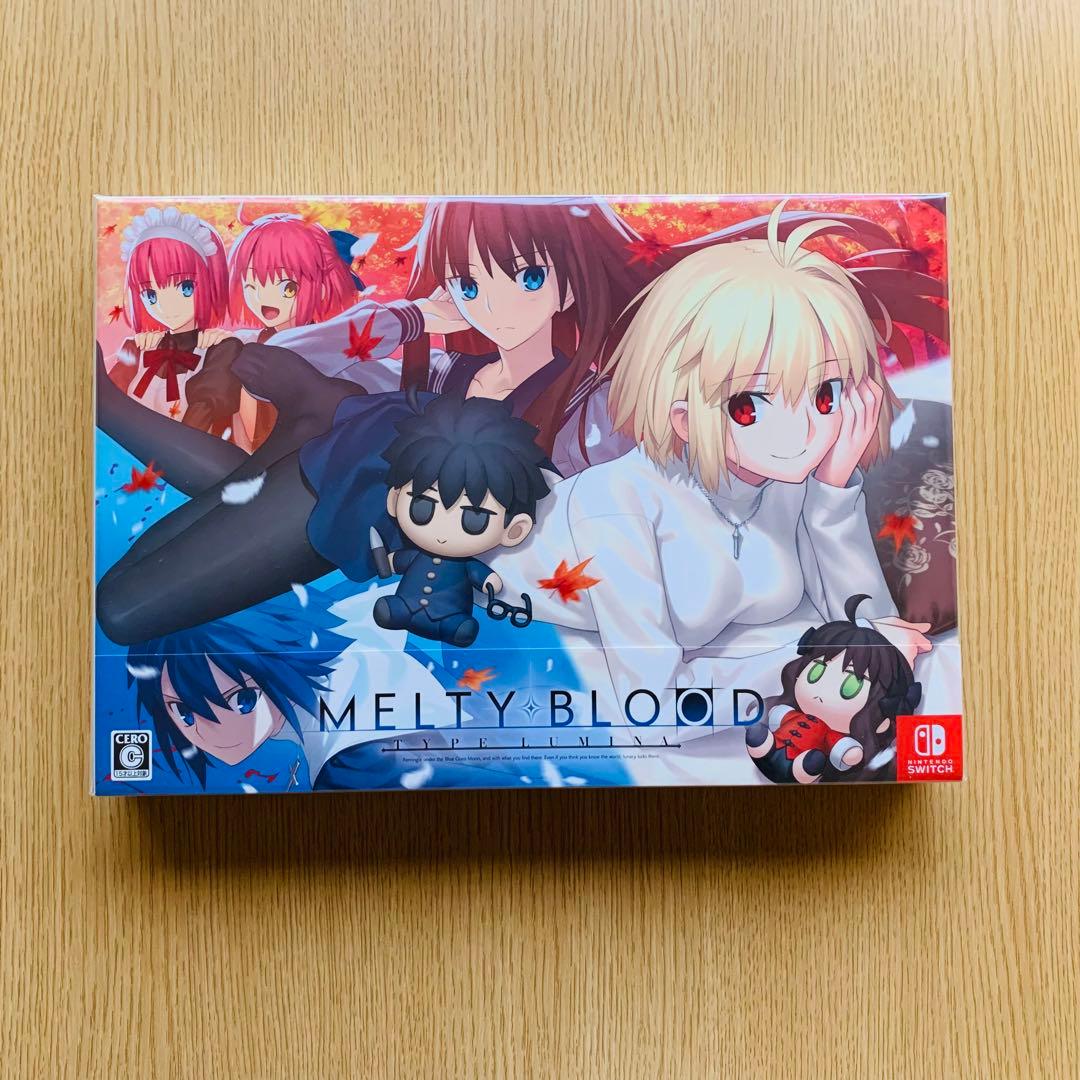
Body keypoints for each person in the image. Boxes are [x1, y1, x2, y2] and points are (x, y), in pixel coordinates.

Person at [372, 394, 552, 646]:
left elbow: (485, 579)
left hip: (448, 615)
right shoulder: (416, 557)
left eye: (474, 519)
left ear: (514, 530)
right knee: (389, 609)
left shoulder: (467, 567)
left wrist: (489, 584)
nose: (442, 531)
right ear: (394, 500)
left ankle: (455, 628)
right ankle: (395, 612)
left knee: (460, 628)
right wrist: (387, 561)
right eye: (422, 507)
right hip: (405, 605)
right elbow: (395, 562)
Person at [745, 594, 922, 784]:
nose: (821, 694)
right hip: (774, 746)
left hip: (803, 764)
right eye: (816, 671)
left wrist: (849, 754)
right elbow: (777, 713)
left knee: (810, 763)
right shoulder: (791, 714)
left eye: (850, 687)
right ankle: (763, 747)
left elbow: (846, 751)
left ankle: (802, 768)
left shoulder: (833, 736)